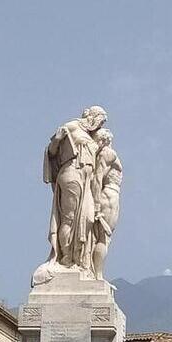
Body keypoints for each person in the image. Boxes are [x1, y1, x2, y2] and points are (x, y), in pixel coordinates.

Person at [43, 106, 107, 274]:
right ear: (92, 117)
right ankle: (66, 259)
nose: (100, 127)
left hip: (86, 181)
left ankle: (78, 259)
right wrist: (57, 140)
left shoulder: (91, 135)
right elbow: (51, 151)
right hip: (72, 174)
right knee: (69, 219)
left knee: (87, 219)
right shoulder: (72, 126)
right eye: (100, 121)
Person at [92, 128, 122, 280]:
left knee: (101, 238)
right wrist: (97, 206)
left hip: (108, 196)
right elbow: (97, 179)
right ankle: (97, 275)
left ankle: (96, 273)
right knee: (103, 238)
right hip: (108, 197)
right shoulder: (107, 154)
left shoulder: (104, 154)